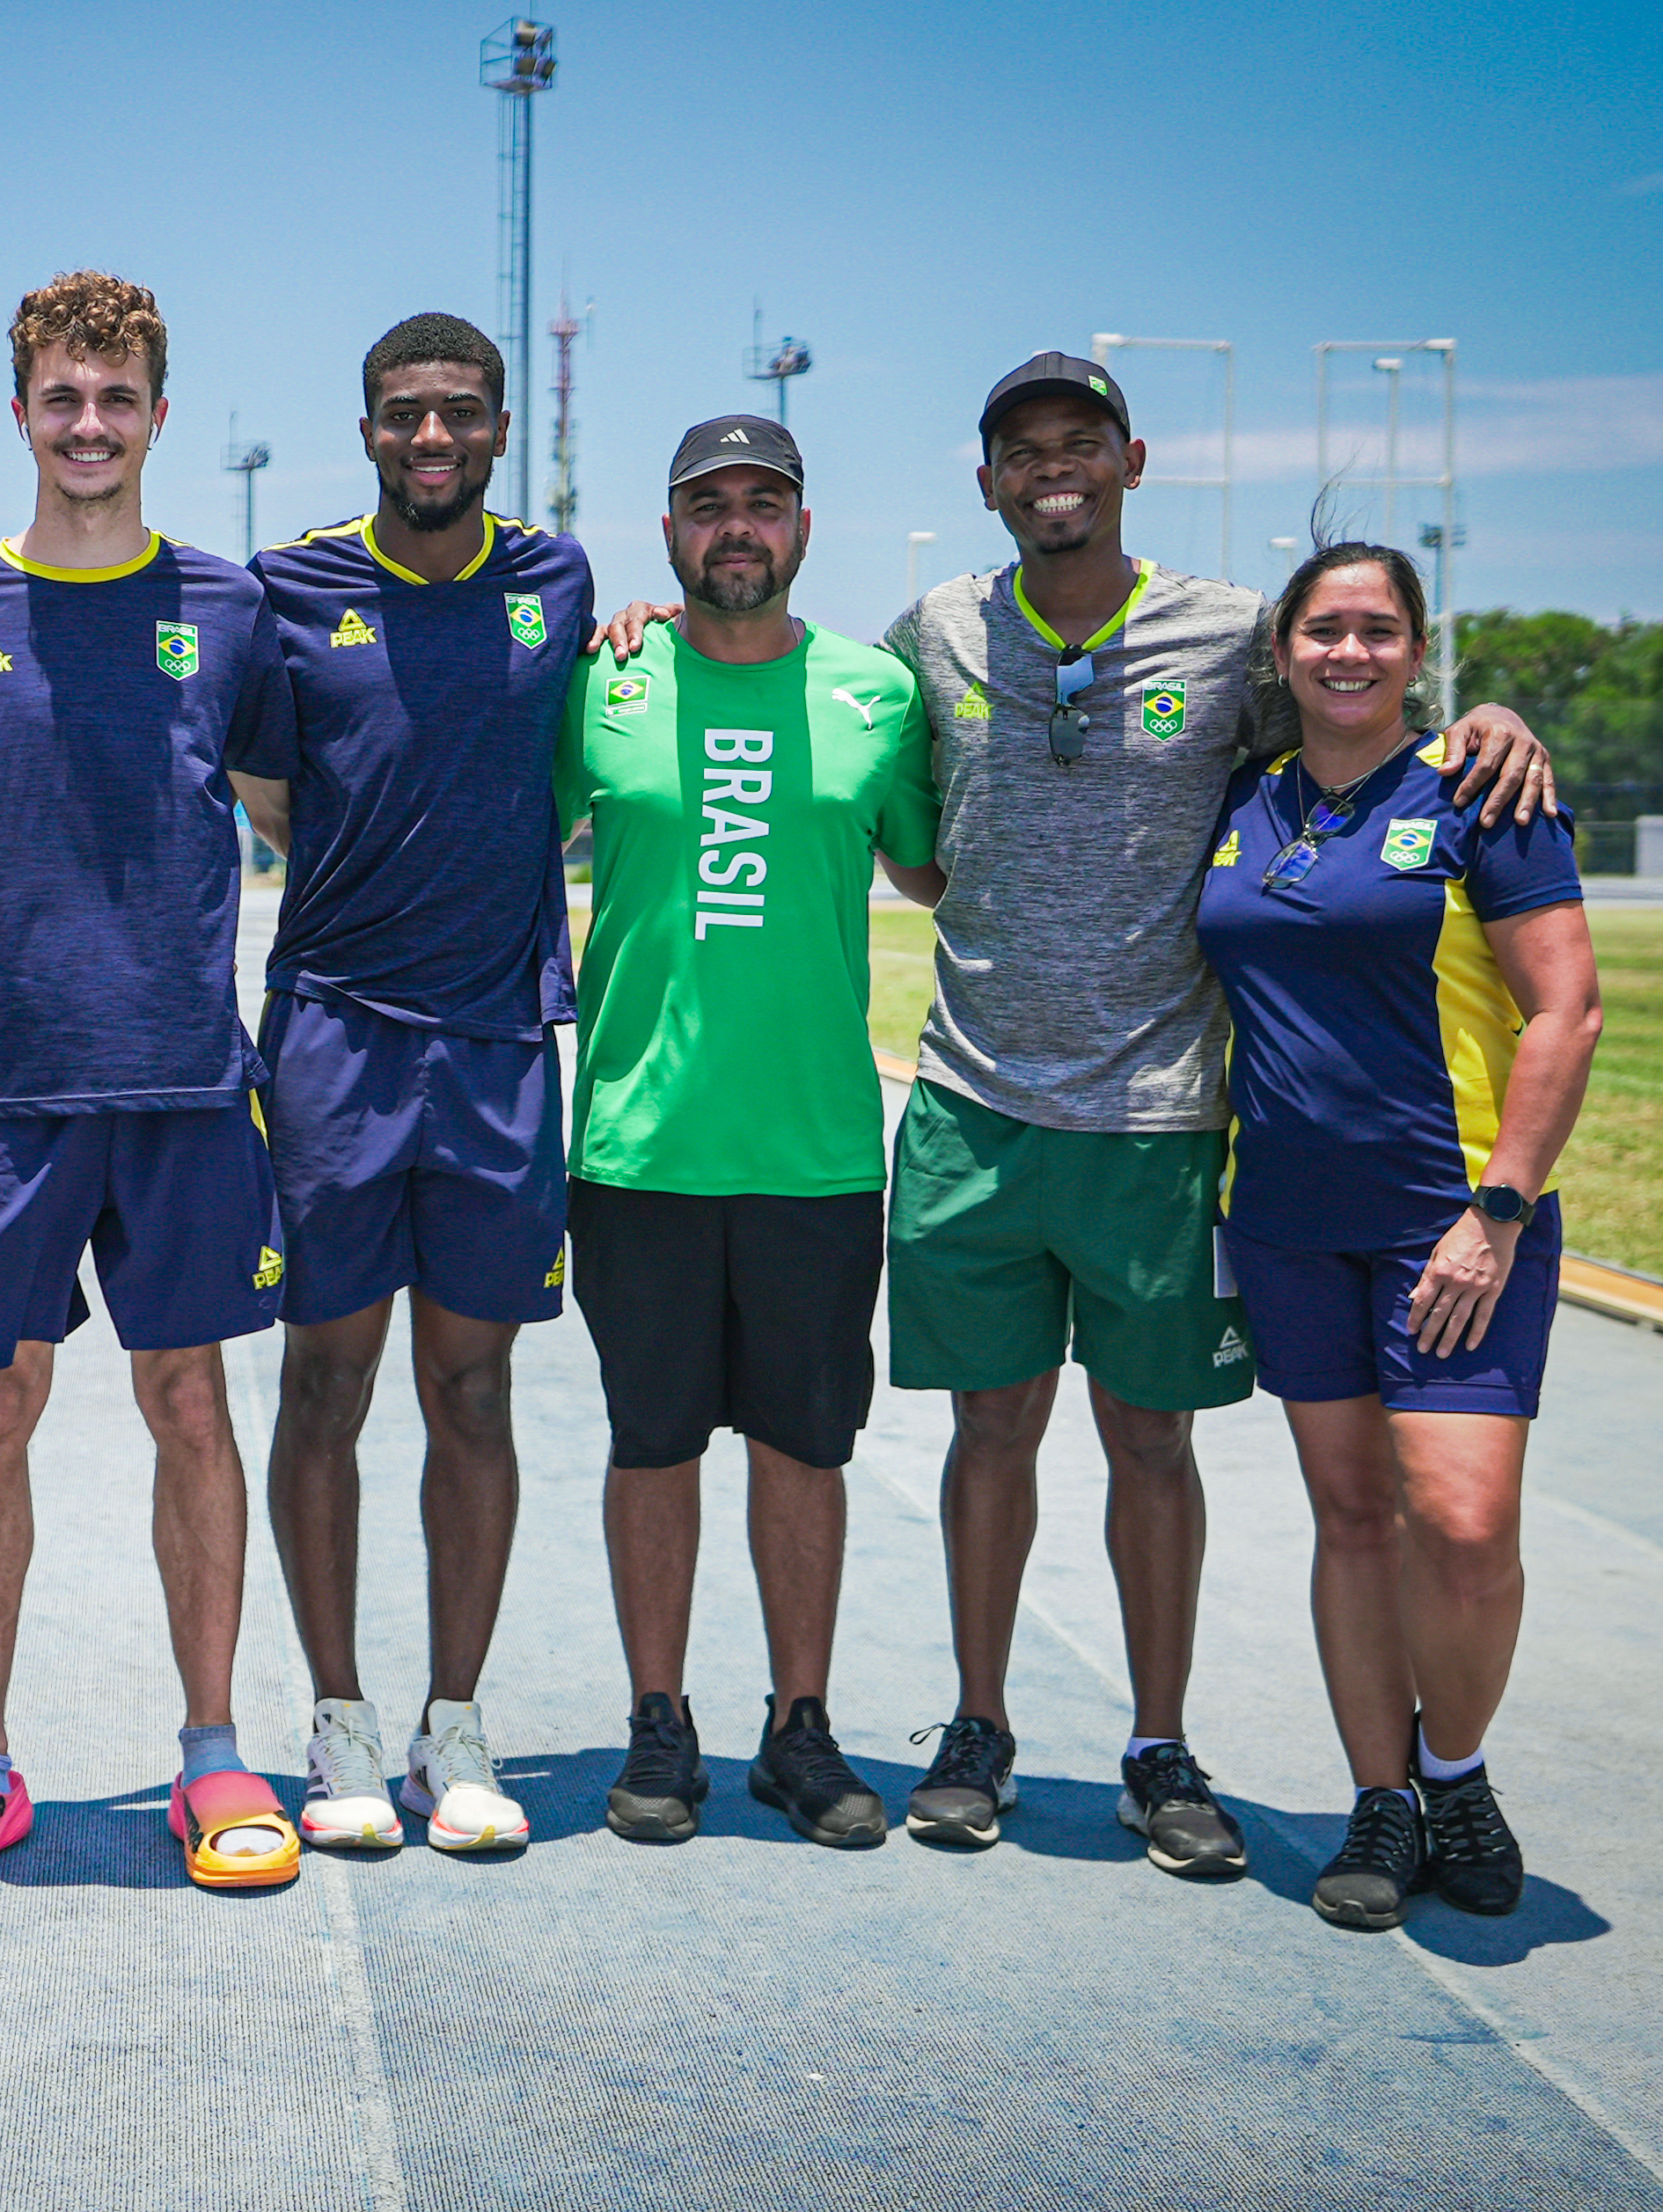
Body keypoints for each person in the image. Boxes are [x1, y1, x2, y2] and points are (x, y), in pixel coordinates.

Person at [595, 354, 1556, 1870]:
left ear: (1130, 459)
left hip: (1162, 1111)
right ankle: (979, 1725)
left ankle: (1158, 1745)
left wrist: (1483, 713)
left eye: (1081, 443)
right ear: (985, 480)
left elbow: (1352, 705)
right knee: (992, 1434)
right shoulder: (933, 637)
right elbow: (904, 838)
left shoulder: (1235, 632)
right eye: (1023, 449)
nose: (1054, 467)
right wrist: (641, 624)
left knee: (1151, 1446)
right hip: (976, 1104)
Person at [0, 270, 301, 1893]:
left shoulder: (231, 607)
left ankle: (210, 1749)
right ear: (23, 411)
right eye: (65, 398)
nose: (92, 426)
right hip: (10, 1082)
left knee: (190, 1401)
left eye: (119, 400)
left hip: (187, 1083)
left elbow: (280, 802)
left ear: (159, 416)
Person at [1192, 542, 1597, 1930]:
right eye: (1323, 630)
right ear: (1285, 650)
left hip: (1456, 1222)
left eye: (1377, 630)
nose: (1348, 652)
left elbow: (1567, 1012)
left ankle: (1454, 1767)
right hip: (1291, 1225)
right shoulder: (1243, 796)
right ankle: (1379, 1800)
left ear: (1420, 653)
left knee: (1466, 1523)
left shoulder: (1486, 792)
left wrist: (1500, 1208)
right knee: (1355, 1517)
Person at [230, 311, 592, 1855]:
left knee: (474, 1386)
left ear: (498, 427)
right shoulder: (291, 587)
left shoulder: (557, 582)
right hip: (334, 1038)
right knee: (327, 1383)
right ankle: (339, 1722)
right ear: (367, 430)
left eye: (458, 413)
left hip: (501, 1042)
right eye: (402, 415)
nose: (430, 438)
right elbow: (266, 787)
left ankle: (456, 1721)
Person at [558, 417, 941, 1849]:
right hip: (639, 1148)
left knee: (804, 1445)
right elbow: (499, 837)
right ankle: (659, 1725)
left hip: (819, 1152)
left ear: (802, 525)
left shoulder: (879, 694)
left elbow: (941, 860)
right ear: (665, 534)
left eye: (762, 503)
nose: (736, 527)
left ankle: (800, 1725)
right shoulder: (604, 680)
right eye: (706, 505)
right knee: (649, 1442)